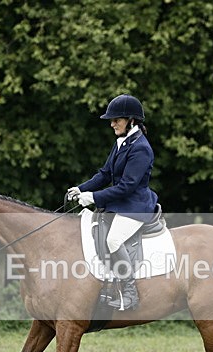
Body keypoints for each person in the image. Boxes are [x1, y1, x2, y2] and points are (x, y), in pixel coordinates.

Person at [67, 94, 158, 311]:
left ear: (132, 120)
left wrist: (94, 197)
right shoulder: (122, 142)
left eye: (117, 119)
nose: (112, 123)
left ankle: (129, 292)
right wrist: (82, 188)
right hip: (121, 204)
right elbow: (105, 174)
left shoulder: (141, 148)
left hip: (135, 206)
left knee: (114, 240)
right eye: (112, 119)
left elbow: (127, 186)